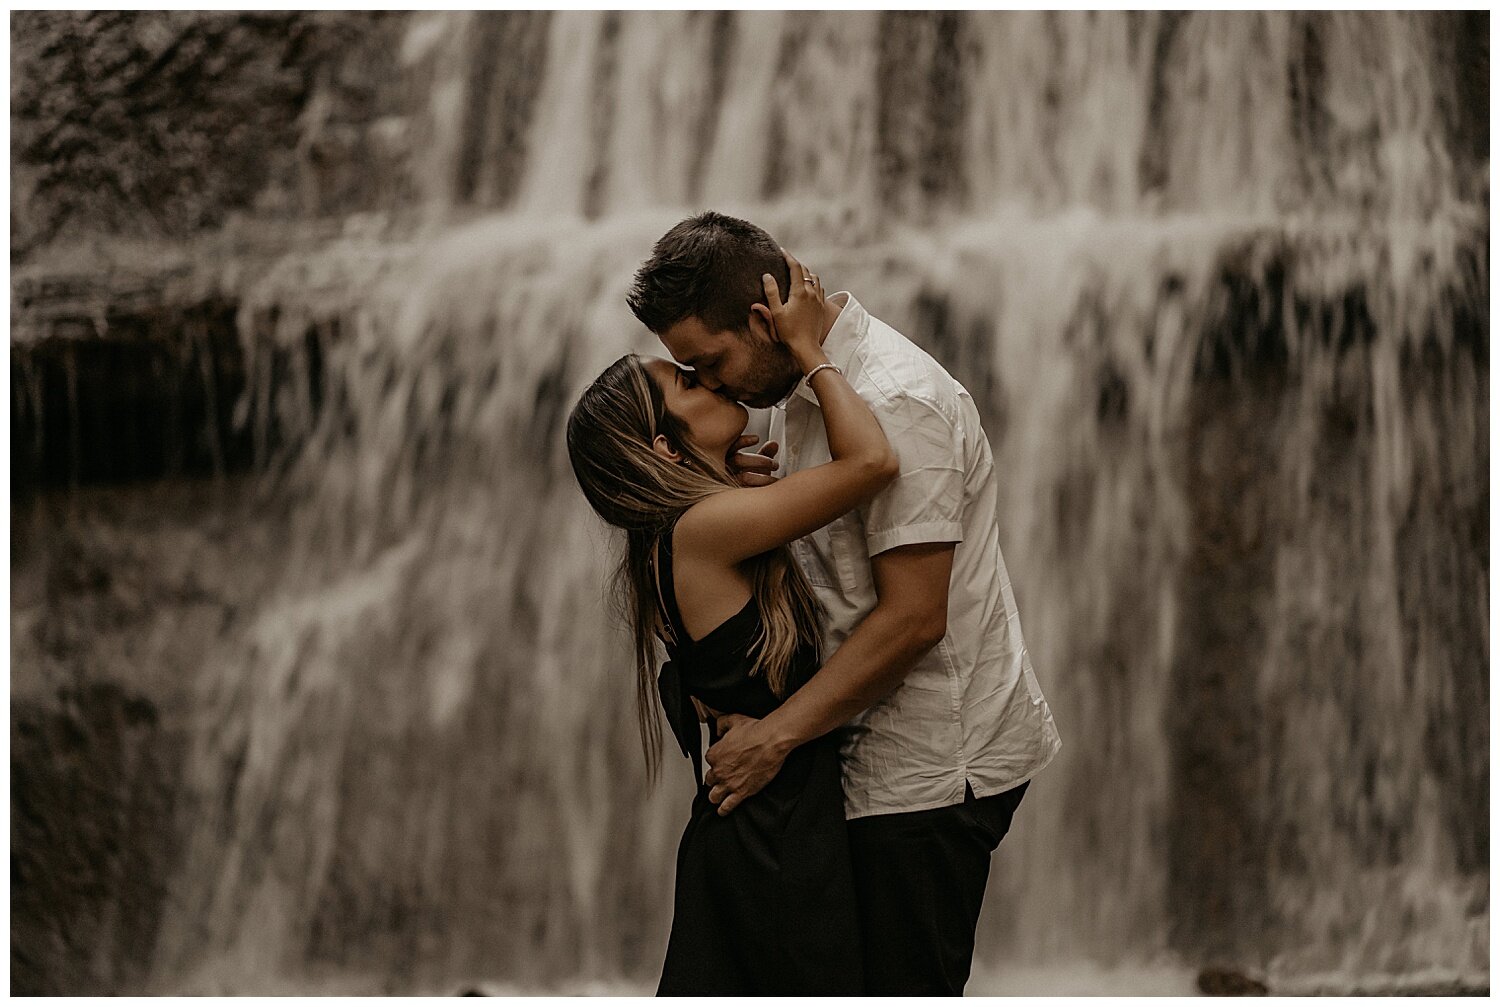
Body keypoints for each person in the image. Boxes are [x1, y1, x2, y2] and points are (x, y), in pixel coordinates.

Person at [627, 211, 1063, 995]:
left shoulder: (895, 399)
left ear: (764, 319)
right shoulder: (803, 390)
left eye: (708, 363)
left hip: (925, 771)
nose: (713, 386)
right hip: (852, 762)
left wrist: (773, 739)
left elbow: (913, 618)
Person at [566, 251, 895, 994]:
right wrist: (811, 349)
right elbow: (873, 460)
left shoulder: (674, 539)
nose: (711, 379)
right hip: (772, 848)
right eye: (687, 382)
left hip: (758, 839)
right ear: (662, 446)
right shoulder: (708, 529)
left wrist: (727, 483)